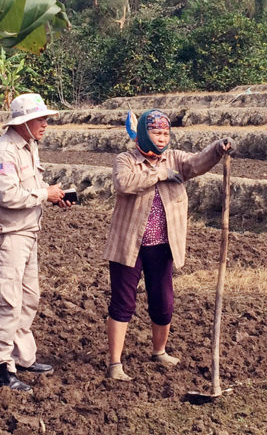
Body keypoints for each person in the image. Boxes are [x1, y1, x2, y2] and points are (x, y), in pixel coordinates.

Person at [104, 109, 231, 381]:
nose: (162, 138)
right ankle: (115, 363)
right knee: (122, 303)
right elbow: (124, 183)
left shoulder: (175, 159)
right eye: (156, 133)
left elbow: (196, 163)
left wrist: (217, 149)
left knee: (163, 302)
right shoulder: (125, 160)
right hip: (128, 244)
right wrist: (160, 174)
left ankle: (159, 351)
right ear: (142, 134)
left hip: (162, 245)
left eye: (165, 133)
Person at [0, 93, 72, 392]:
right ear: (23, 122)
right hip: (6, 236)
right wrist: (45, 194)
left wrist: (52, 195)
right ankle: (0, 369)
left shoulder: (29, 146)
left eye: (45, 118)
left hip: (28, 232)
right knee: (5, 300)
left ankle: (22, 356)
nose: (45, 124)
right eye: (40, 119)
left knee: (29, 296)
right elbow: (8, 197)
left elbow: (28, 189)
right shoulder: (3, 152)